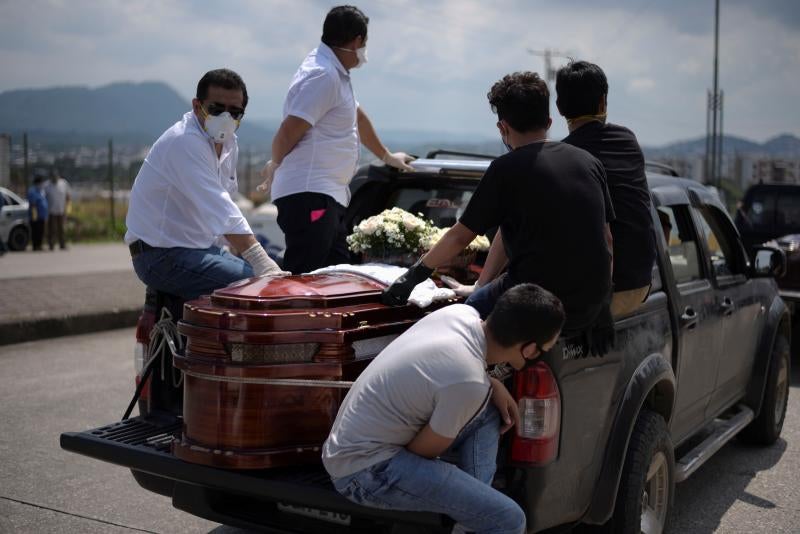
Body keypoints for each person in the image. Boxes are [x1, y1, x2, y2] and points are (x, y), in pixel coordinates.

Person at [383, 72, 614, 344]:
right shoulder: (589, 162)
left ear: (502, 128)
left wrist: (412, 276)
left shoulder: (506, 169)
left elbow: (460, 236)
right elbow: (607, 240)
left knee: (454, 327)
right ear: (549, 122)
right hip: (588, 306)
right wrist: (602, 303)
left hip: (531, 302)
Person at [324, 283, 565, 534]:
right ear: (529, 349)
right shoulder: (469, 383)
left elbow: (451, 373)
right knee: (508, 518)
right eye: (542, 351)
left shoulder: (459, 315)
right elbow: (421, 453)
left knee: (488, 410)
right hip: (363, 473)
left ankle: (470, 522)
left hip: (348, 447)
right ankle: (475, 518)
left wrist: (491, 384)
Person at [258, 5, 414, 274]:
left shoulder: (333, 73)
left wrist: (386, 156)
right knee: (306, 279)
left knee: (336, 276)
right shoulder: (323, 75)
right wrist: (275, 164)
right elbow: (288, 130)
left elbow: (357, 118)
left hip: (325, 196)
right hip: (310, 194)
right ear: (357, 41)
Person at [125, 69, 286, 301]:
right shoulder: (185, 141)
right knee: (257, 287)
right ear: (196, 105)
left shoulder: (229, 143)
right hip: (161, 254)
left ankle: (162, 309)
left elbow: (226, 200)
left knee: (257, 279)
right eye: (216, 109)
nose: (226, 117)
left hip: (197, 248)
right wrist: (260, 259)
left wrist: (233, 253)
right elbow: (220, 207)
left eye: (235, 112)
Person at [556, 61, 656, 316]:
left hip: (600, 296)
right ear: (603, 103)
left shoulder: (561, 157)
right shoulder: (628, 141)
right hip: (640, 284)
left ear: (559, 108)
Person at [44, 168, 70, 250]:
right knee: (52, 229)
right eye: (52, 177)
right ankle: (51, 244)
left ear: (58, 176)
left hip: (61, 210)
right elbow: (43, 198)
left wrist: (67, 208)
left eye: (55, 177)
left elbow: (68, 196)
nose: (54, 178)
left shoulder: (63, 183)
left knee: (62, 228)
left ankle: (62, 244)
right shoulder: (47, 185)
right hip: (51, 211)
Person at [27, 174, 49, 251]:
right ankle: (35, 245)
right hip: (35, 215)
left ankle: (39, 245)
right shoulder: (32, 191)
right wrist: (34, 215)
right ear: (37, 183)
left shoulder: (41, 191)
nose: (42, 184)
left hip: (42, 215)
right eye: (41, 183)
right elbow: (33, 204)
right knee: (35, 231)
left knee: (41, 231)